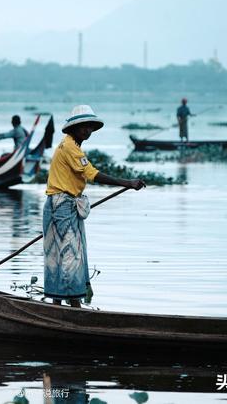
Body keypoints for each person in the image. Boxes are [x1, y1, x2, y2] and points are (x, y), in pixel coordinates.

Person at [43, 105, 145, 308]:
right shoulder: (70, 147)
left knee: (60, 254)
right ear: (73, 128)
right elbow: (92, 174)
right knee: (70, 255)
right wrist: (128, 182)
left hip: (60, 204)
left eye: (89, 126)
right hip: (62, 205)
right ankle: (71, 307)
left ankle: (57, 305)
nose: (87, 130)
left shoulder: (71, 146)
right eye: (83, 126)